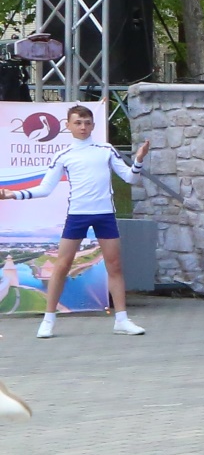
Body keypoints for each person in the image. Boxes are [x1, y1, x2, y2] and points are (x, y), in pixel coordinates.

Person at [31, 102, 148, 338]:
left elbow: (130, 178)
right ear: (68, 126)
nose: (83, 127)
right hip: (77, 214)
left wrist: (138, 160)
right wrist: (14, 194)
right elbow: (45, 189)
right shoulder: (64, 155)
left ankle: (122, 320)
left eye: (87, 123)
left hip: (105, 214)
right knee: (62, 265)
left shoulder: (105, 149)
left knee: (114, 265)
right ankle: (48, 320)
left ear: (93, 125)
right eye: (78, 123)